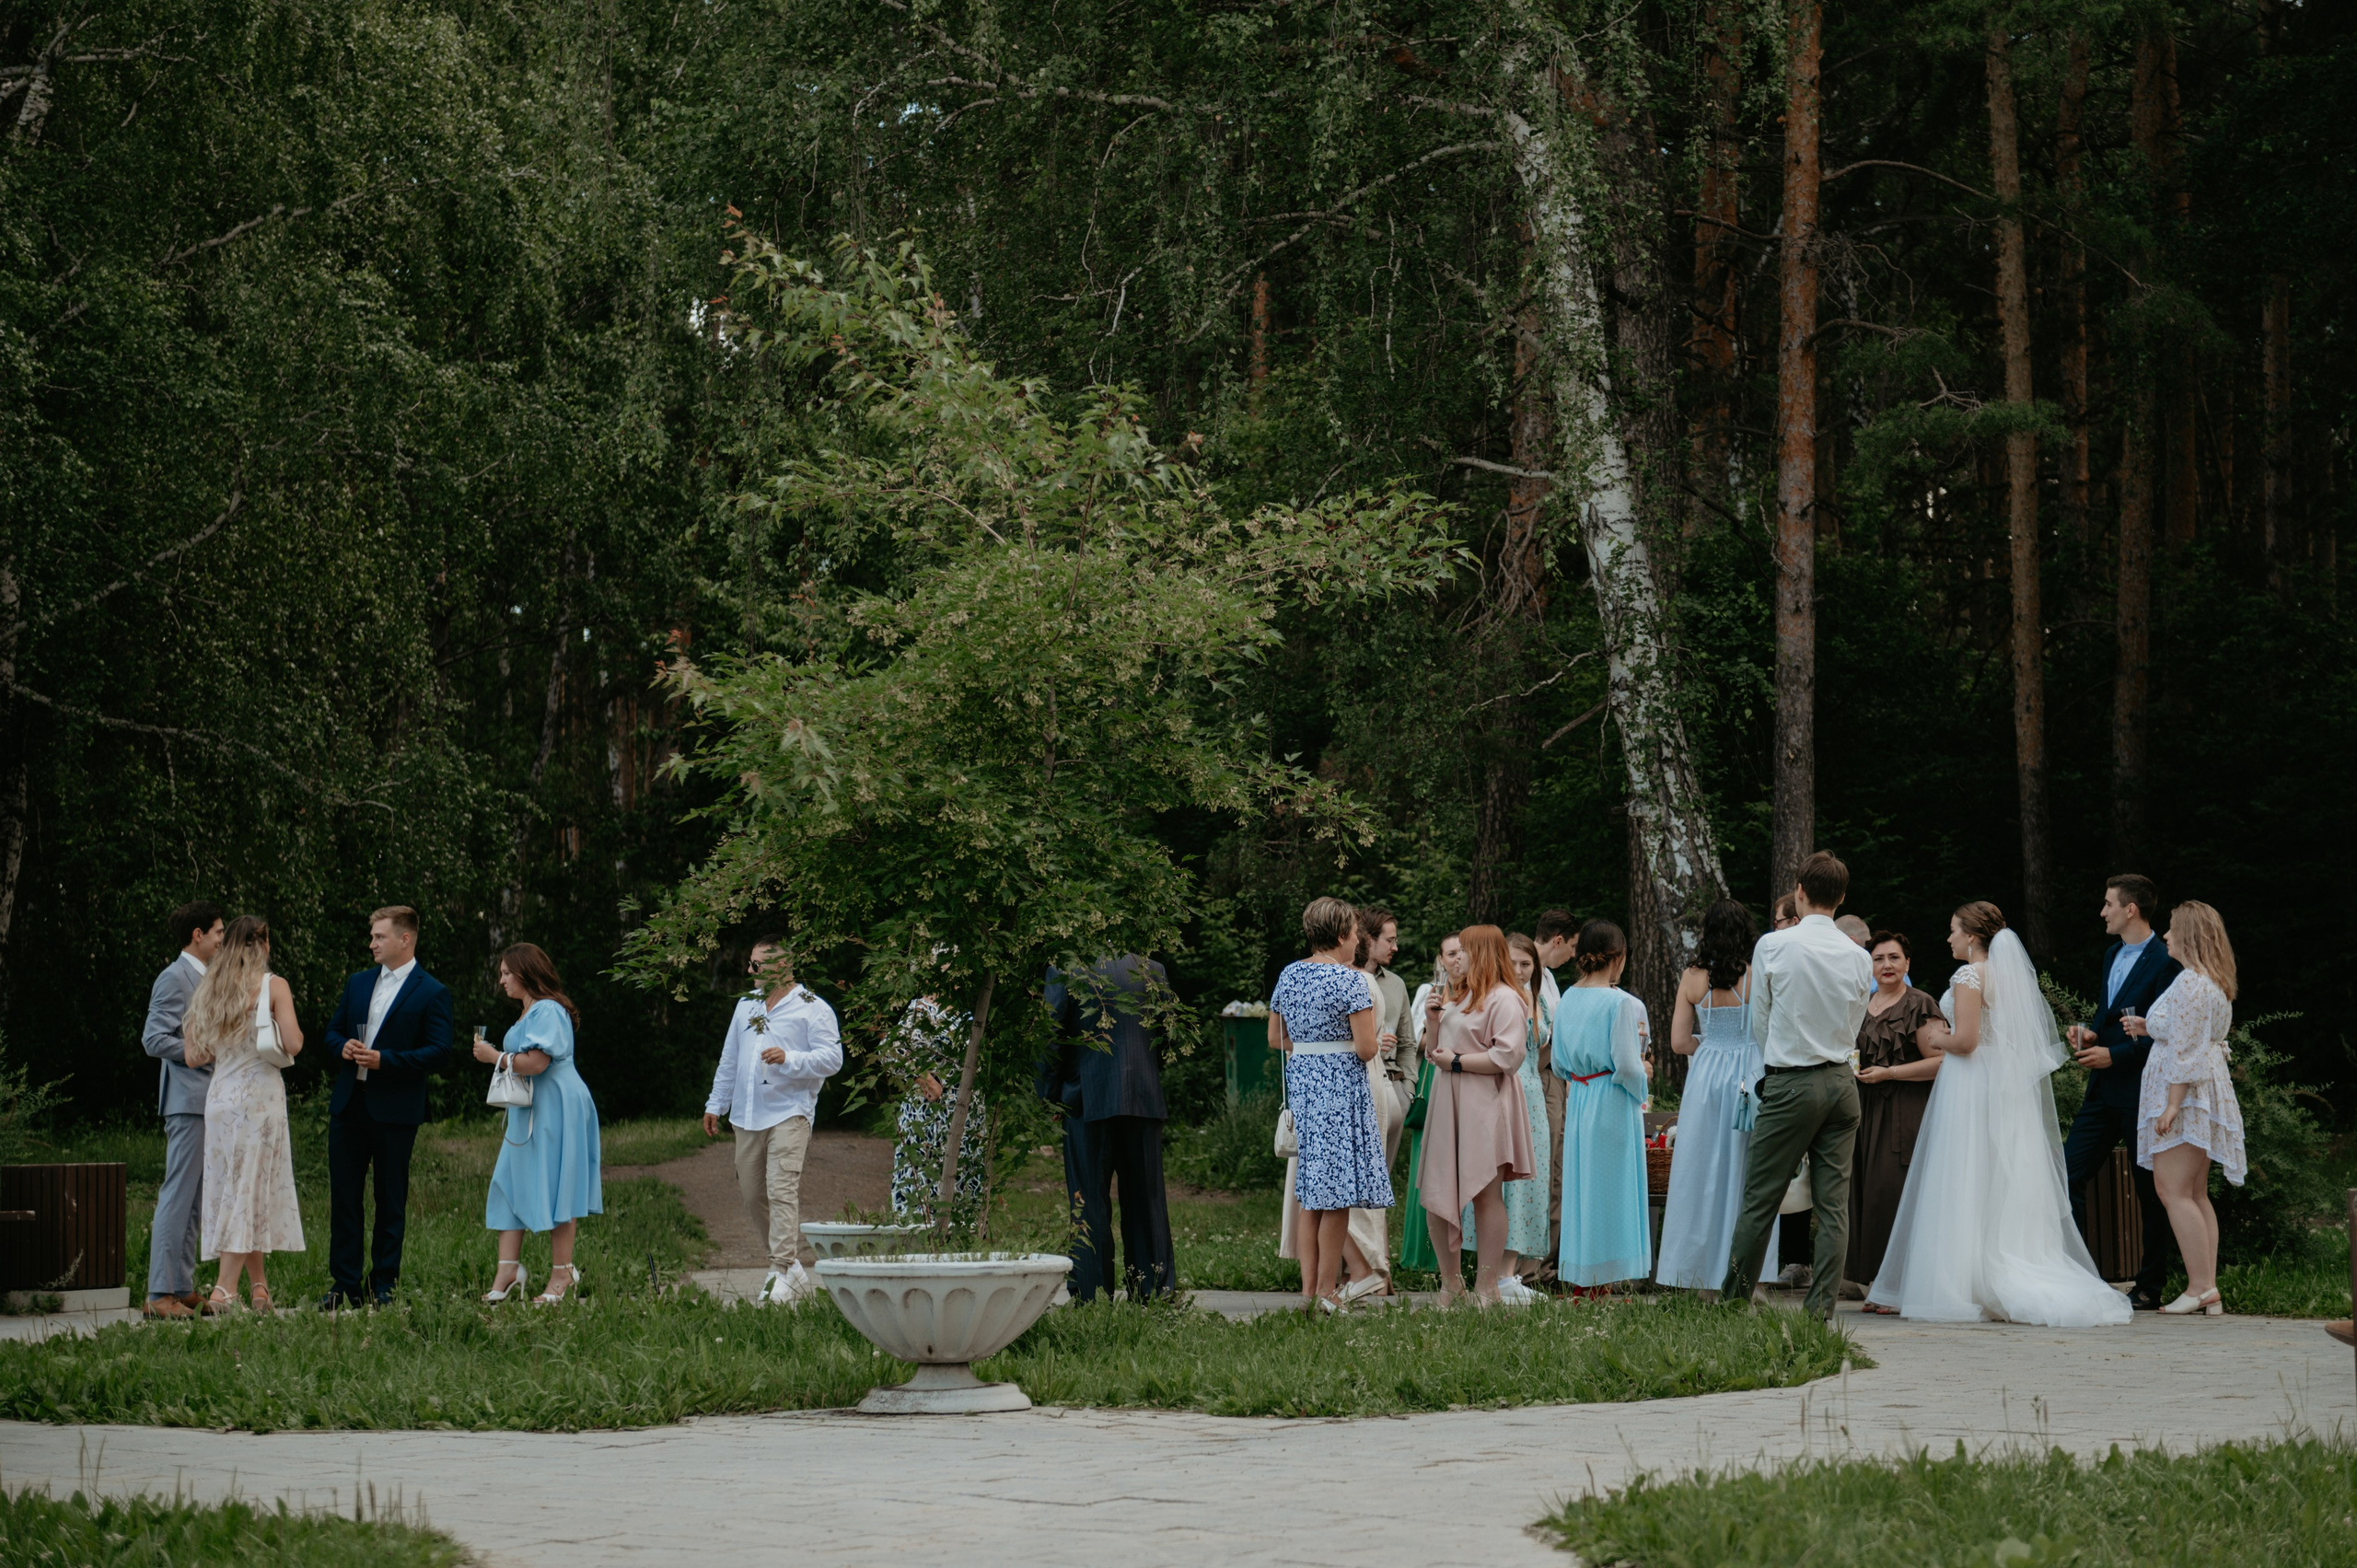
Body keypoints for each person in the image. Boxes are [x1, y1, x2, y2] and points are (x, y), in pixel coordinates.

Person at [1868, 902, 2131, 1327]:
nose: (1949, 938)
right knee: (1995, 1173)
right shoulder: (2008, 976)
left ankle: (1965, 1280)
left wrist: (1939, 1038)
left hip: (1971, 1081)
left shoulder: (1969, 975)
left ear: (1972, 937)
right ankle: (1990, 1266)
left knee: (1965, 1175)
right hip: (1999, 1082)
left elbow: (1968, 1041)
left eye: (1953, 931)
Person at [1720, 852, 1872, 1325]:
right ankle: (1819, 1313)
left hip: (1792, 1080)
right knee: (1832, 1205)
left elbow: (1759, 1018)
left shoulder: (1773, 946)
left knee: (1760, 1197)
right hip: (1842, 1083)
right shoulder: (1858, 956)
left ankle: (1732, 1304)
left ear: (1799, 891)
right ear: (1842, 897)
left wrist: (1780, 1063)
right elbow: (1855, 1020)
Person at [322, 906, 456, 1308]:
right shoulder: (358, 983)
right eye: (373, 935)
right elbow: (331, 1031)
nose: (372, 943)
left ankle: (384, 1284)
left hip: (396, 1110)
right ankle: (344, 1284)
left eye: (379, 936)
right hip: (349, 1105)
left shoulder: (432, 991)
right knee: (344, 1197)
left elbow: (439, 1052)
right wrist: (342, 1046)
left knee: (390, 1198)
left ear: (405, 939)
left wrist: (387, 1060)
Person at [2061, 874, 2183, 1308]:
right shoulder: (2112, 953)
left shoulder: (2167, 961)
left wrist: (2117, 1056)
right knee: (2066, 1174)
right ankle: (2076, 1275)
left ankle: (2150, 1285)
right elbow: (2110, 1017)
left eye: (2108, 903)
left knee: (2150, 1189)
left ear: (2130, 909)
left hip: (2143, 1091)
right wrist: (2091, 1034)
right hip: (2101, 1093)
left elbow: (2171, 1034)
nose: (2103, 911)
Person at [1268, 898, 1392, 1314]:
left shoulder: (1290, 974)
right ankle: (1326, 1291)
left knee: (1310, 1192)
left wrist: (1311, 1049)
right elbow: (1366, 1048)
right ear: (1341, 935)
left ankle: (1308, 1291)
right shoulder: (1350, 981)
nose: (1358, 940)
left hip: (1305, 1083)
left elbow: (1274, 1038)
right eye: (1356, 933)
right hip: (1340, 1091)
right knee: (1336, 1196)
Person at [702, 935, 842, 1306]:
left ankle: (779, 1269)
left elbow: (833, 1059)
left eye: (757, 965)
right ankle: (793, 1267)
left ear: (782, 966)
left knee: (782, 1190)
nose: (750, 971)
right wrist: (716, 1104)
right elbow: (730, 1058)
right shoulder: (746, 1005)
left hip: (789, 1112)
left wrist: (791, 1058)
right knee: (752, 1194)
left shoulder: (812, 1008)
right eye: (750, 963)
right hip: (747, 1115)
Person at [2126, 900, 2247, 1316]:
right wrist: (2147, 1026)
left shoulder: (2193, 984)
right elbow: (2184, 1032)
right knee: (2194, 1193)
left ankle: (2199, 1287)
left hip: (2185, 1092)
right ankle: (2206, 1286)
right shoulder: (2207, 982)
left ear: (2190, 936)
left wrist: (2172, 1106)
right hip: (2198, 1088)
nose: (2165, 936)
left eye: (2173, 929)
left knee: (2173, 1190)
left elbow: (2187, 1051)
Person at [1656, 899, 1777, 1295]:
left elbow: (1678, 1042)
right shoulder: (1757, 974)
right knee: (1748, 1175)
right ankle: (1748, 1278)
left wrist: (1709, 1049)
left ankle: (1698, 1275)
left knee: (1701, 1172)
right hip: (1751, 1074)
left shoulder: (1692, 977)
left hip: (1707, 1078)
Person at [185, 916, 304, 1312]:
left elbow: (193, 1055)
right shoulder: (274, 985)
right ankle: (224, 1290)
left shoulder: (210, 988)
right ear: (264, 944)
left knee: (237, 1188)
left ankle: (260, 1289)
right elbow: (294, 1043)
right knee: (247, 1189)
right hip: (259, 1101)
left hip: (220, 1099)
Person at [1041, 955, 1178, 1301]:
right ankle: (1152, 1289)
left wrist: (1051, 1095)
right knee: (1146, 1199)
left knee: (1088, 1199)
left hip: (1087, 1098)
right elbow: (1165, 1036)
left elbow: (1050, 1036)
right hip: (1142, 1097)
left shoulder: (1065, 968)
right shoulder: (1152, 969)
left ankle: (1091, 1293)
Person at [473, 944, 603, 1307]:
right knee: (508, 1180)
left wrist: (495, 1057)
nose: (500, 981)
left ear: (525, 972)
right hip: (530, 1108)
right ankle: (508, 1269)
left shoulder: (547, 1009)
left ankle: (563, 1273)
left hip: (556, 1105)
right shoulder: (528, 1010)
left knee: (559, 1183)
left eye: (505, 973)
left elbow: (538, 1063)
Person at [1417, 925, 1533, 1305]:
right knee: (1436, 1191)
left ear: (1481, 953)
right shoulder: (1459, 996)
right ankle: (1451, 1284)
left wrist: (1460, 1062)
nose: (1456, 957)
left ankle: (1487, 1289)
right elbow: (1437, 1056)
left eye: (1463, 951)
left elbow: (1508, 1056)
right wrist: (1434, 1023)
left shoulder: (1504, 998)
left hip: (1484, 1102)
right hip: (1448, 1100)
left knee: (1486, 1192)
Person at [1550, 919, 1651, 1293]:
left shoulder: (1567, 998)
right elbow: (1626, 1064)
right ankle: (1608, 1278)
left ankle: (1584, 1278)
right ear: (1618, 958)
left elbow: (1558, 1062)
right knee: (1614, 1189)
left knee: (1583, 1187)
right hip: (1611, 1098)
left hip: (1579, 1096)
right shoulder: (1620, 1002)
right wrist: (1642, 1077)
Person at [1848, 931, 1947, 1307]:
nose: (1886, 965)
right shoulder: (1861, 1003)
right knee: (1866, 1194)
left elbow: (1941, 1062)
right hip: (1863, 1109)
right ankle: (1878, 1283)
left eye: (1893, 958)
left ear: (1908, 963)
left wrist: (1890, 1074)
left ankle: (1902, 1286)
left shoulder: (1920, 1005)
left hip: (1905, 1109)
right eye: (1878, 959)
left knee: (1892, 1193)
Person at [140, 900, 225, 1319]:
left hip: (210, 1102)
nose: (223, 940)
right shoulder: (173, 978)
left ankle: (182, 1286)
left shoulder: (208, 979)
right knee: (177, 1195)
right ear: (199, 935)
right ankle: (158, 1293)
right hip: (186, 1101)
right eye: (219, 933)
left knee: (196, 1200)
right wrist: (195, 1052)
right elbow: (153, 1039)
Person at [1457, 934, 1552, 1299]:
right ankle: (1493, 1274)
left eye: (1526, 964)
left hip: (1533, 1093)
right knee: (1498, 1183)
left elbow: (1541, 1052)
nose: (1519, 970)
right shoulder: (1495, 998)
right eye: (1512, 963)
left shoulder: (1538, 998)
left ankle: (1509, 1272)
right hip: (1502, 1090)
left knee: (1528, 1186)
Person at [1338, 909, 1409, 1300]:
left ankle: (1370, 1270)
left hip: (1379, 1083)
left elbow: (1395, 1041)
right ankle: (1363, 1271)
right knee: (1363, 1181)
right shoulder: (1358, 980)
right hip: (1368, 1080)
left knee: (1364, 1181)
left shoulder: (1377, 983)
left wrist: (1409, 1087)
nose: (1395, 946)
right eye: (1389, 939)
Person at [1396, 935, 1465, 1276]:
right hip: (1435, 1076)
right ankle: (1423, 1256)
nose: (1457, 960)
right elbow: (1414, 1039)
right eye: (1451, 953)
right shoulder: (1430, 991)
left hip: (1467, 1078)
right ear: (1440, 959)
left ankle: (1461, 1258)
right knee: (1430, 1166)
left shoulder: (1478, 992)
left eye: (1462, 953)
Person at [888, 997, 989, 1232]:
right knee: (928, 1183)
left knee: (966, 1182)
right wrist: (925, 1079)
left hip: (969, 1116)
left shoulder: (966, 1010)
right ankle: (922, 1247)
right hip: (932, 1117)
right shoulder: (922, 1008)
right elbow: (894, 1051)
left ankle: (963, 1246)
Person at [1530, 909, 1577, 1274]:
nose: (1574, 956)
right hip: (1538, 1075)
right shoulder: (1526, 971)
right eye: (1572, 947)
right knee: (1542, 1170)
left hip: (1556, 1077)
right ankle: (1533, 1266)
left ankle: (1548, 1262)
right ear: (1558, 940)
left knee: (1556, 1170)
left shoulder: (1548, 977)